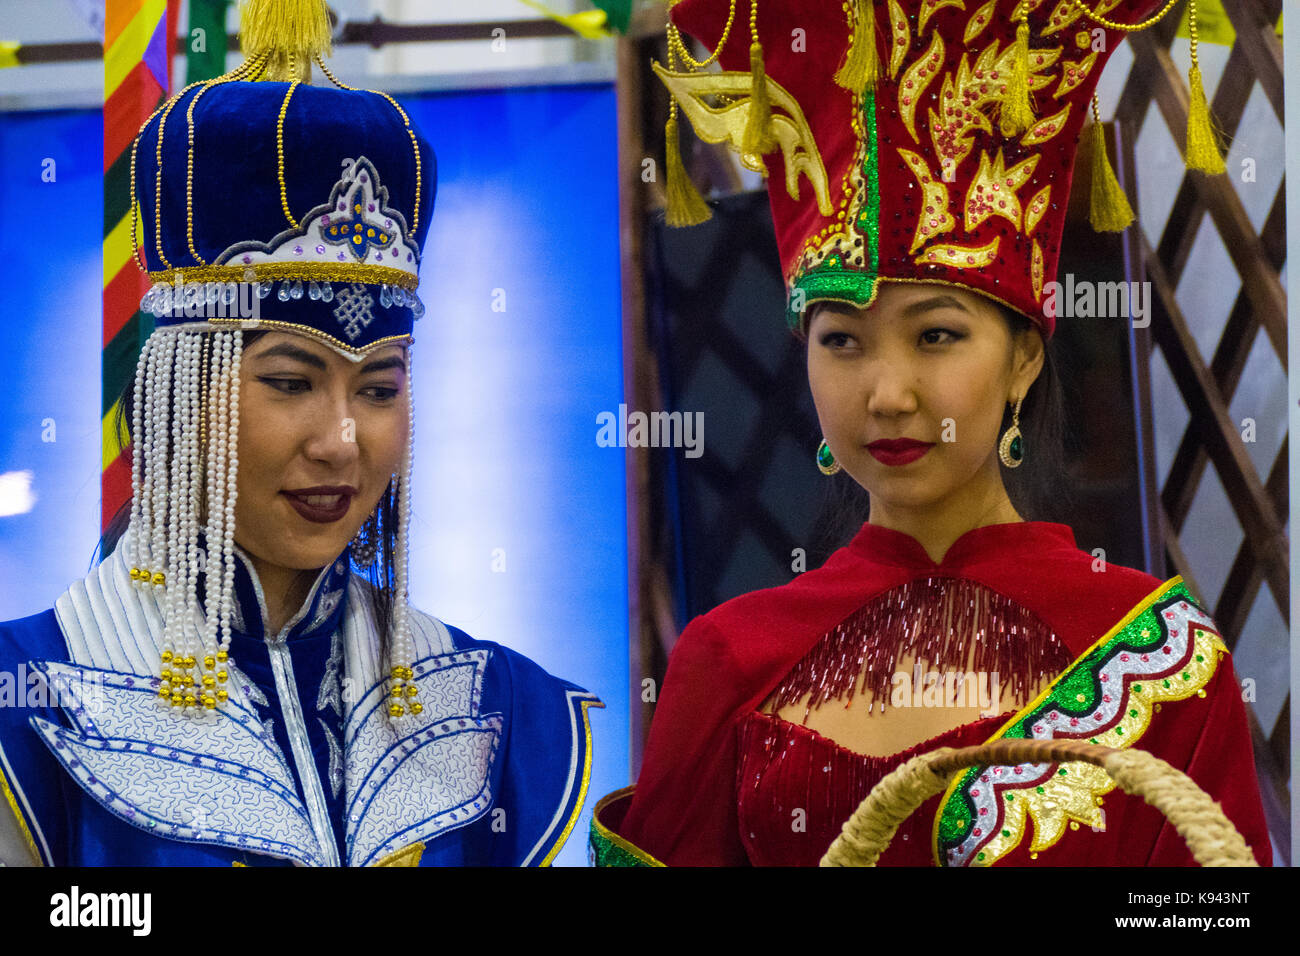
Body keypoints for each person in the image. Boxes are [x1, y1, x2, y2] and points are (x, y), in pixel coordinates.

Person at [589, 0, 1271, 866]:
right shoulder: (727, 662)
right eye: (842, 341)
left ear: (1025, 357)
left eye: (937, 335)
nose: (888, 393)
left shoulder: (1161, 660)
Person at [0, 0, 599, 867]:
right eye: (290, 382)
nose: (342, 441)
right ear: (178, 386)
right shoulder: (31, 700)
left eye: (381, 386)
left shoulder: (503, 713)